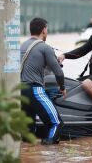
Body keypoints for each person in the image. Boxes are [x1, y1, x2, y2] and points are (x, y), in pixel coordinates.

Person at [20, 17, 66, 145]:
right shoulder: (45, 48)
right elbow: (58, 72)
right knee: (56, 123)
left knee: (27, 130)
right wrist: (62, 87)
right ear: (44, 30)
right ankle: (47, 153)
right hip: (34, 90)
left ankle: (28, 154)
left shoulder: (21, 45)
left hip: (19, 91)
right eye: (47, 29)